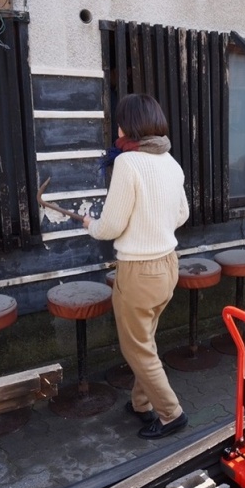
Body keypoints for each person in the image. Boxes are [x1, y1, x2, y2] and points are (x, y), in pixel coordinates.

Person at [83, 93, 190, 439]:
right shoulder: (171, 163)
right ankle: (143, 404)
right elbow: (182, 214)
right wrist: (155, 225)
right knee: (145, 341)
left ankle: (172, 414)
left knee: (136, 348)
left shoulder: (128, 164)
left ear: (129, 126)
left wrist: (91, 224)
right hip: (168, 266)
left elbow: (111, 227)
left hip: (139, 271)